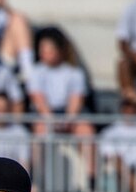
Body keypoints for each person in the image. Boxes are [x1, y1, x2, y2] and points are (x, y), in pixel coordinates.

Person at [26, 31, 96, 177]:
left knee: (86, 130)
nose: (44, 53)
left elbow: (76, 99)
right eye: (42, 49)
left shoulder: (74, 73)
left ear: (59, 50)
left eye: (49, 49)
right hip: (46, 115)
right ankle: (38, 176)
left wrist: (68, 120)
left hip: (69, 115)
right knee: (40, 130)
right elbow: (38, 99)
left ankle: (92, 176)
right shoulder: (36, 72)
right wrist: (51, 120)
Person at [96, 93, 136, 192]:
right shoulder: (110, 131)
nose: (130, 111)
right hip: (122, 169)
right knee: (117, 162)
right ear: (122, 109)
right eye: (127, 107)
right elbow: (109, 155)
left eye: (133, 107)